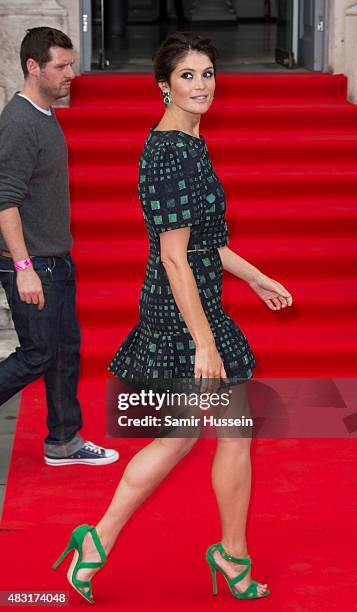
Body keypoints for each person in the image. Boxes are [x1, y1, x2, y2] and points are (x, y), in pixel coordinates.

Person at [52, 31, 293, 602]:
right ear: (164, 85)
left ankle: (205, 552)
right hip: (181, 311)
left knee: (203, 435)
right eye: (187, 75)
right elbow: (173, 255)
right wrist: (204, 343)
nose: (201, 85)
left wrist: (256, 278)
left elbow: (208, 244)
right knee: (197, 436)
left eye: (207, 73)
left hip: (197, 300)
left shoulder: (191, 142)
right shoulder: (167, 150)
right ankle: (125, 544)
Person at [0, 27, 119, 467]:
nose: (73, 73)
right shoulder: (18, 123)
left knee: (66, 350)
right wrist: (24, 266)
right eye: (62, 66)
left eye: (72, 63)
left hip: (56, 259)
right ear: (34, 67)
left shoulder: (43, 115)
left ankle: (64, 441)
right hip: (34, 265)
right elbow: (5, 201)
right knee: (38, 354)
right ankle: (64, 439)